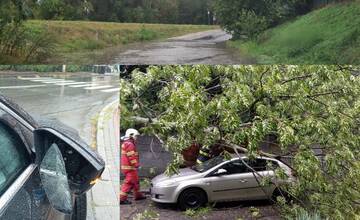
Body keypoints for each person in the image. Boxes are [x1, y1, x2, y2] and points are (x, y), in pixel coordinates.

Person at [120, 128, 146, 205]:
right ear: (131, 135)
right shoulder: (129, 144)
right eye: (135, 136)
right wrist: (136, 165)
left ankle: (138, 195)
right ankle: (121, 199)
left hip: (129, 167)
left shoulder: (128, 143)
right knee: (129, 182)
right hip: (130, 168)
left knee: (135, 181)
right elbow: (131, 156)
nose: (136, 138)